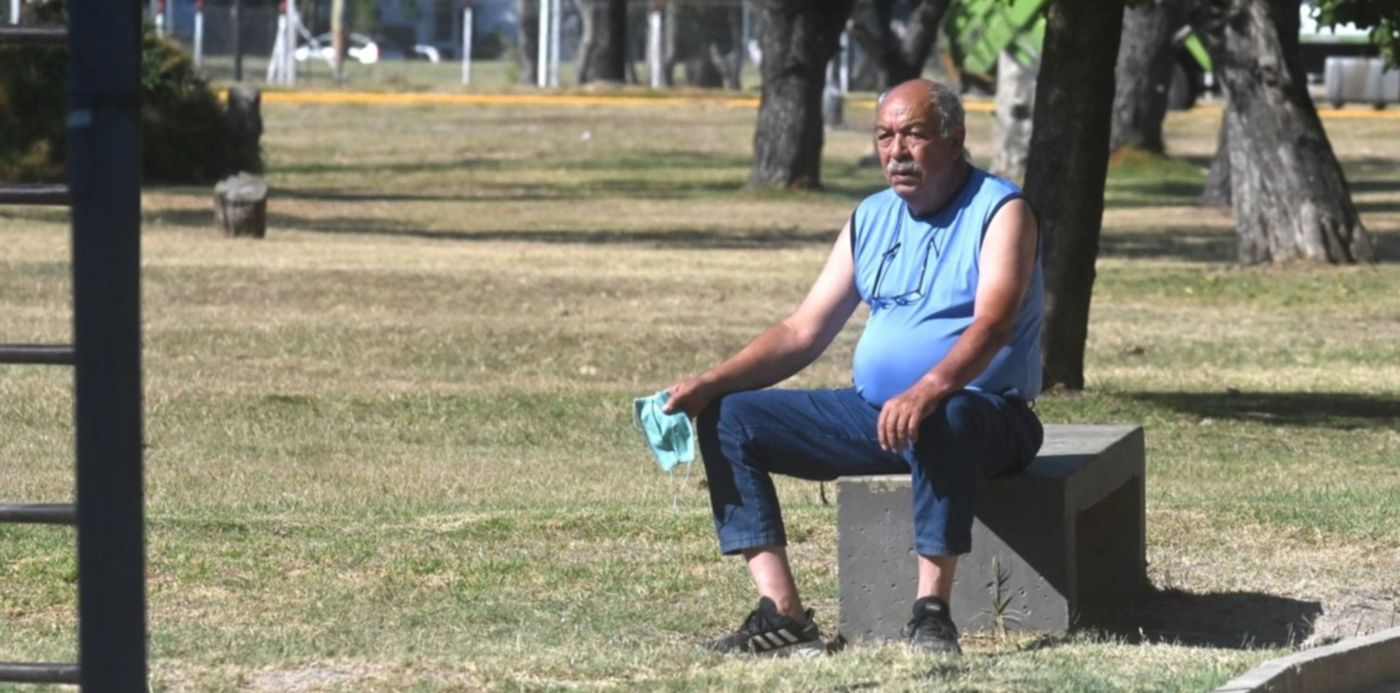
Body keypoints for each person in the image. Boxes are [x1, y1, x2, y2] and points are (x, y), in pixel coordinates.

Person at [662, 79, 1045, 657]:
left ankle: (932, 614)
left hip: (985, 414)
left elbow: (992, 324)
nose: (897, 151)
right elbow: (802, 330)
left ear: (955, 138)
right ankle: (783, 615)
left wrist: (930, 388)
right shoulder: (871, 217)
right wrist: (713, 381)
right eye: (885, 136)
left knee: (941, 417)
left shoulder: (1001, 210)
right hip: (875, 414)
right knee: (730, 418)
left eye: (915, 135)